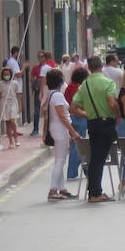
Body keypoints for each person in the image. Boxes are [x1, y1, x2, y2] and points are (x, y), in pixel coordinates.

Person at [70, 56, 118, 202]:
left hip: (92, 124)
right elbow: (112, 103)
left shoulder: (84, 85)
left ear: (89, 68)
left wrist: (86, 114)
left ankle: (93, 191)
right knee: (99, 159)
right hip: (106, 123)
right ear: (101, 66)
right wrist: (118, 115)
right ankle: (95, 193)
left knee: (95, 158)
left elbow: (73, 108)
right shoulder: (108, 82)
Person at [44, 69, 80, 201]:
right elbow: (63, 116)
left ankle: (62, 189)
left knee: (59, 159)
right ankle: (53, 190)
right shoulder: (58, 96)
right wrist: (73, 131)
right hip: (60, 129)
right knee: (60, 161)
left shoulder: (52, 94)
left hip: (57, 129)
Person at [63, 68, 90, 184]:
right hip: (80, 116)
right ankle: (73, 171)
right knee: (78, 145)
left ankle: (86, 169)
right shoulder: (80, 88)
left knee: (77, 144)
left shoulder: (69, 86)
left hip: (72, 117)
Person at [0, 68, 20, 150]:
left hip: (13, 102)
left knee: (13, 121)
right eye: (5, 74)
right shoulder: (0, 84)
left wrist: (20, 105)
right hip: (4, 103)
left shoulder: (14, 83)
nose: (6, 76)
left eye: (8, 74)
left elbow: (17, 93)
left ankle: (16, 138)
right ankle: (10, 142)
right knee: (7, 123)